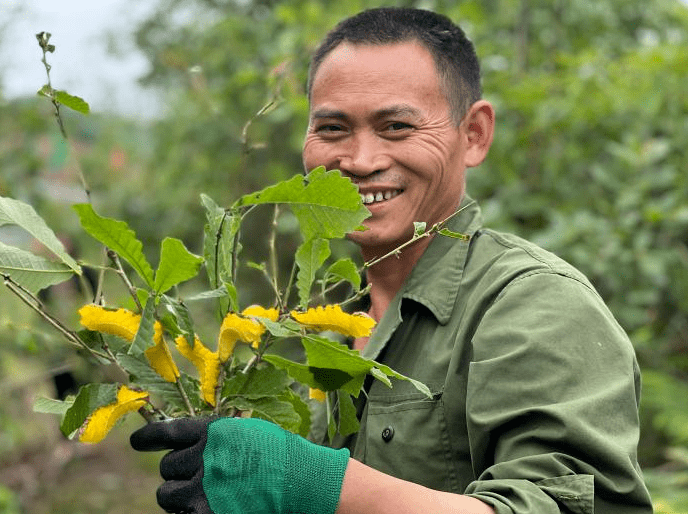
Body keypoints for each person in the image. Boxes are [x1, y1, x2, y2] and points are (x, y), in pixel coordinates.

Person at [131, 7, 653, 514]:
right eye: (333, 129)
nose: (360, 161)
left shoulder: (535, 305)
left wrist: (313, 482)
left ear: (474, 134)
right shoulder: (322, 327)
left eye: (397, 127)